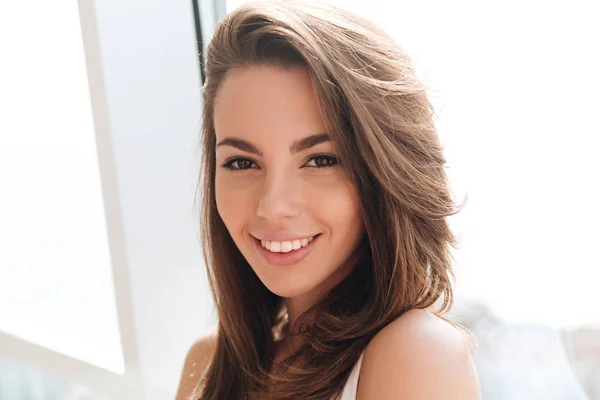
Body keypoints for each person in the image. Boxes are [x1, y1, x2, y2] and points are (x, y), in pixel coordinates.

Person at [176, 0, 481, 399]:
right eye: (241, 162)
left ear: (383, 172)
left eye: (320, 160)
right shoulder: (209, 360)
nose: (272, 205)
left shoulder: (417, 353)